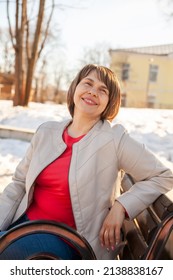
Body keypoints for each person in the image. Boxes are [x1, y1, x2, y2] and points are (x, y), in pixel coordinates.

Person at [0, 64, 173, 260]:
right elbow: (19, 184)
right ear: (75, 88)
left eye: (103, 90)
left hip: (69, 242)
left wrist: (121, 207)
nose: (93, 92)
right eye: (88, 83)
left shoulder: (114, 139)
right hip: (24, 225)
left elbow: (164, 175)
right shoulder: (46, 132)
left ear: (110, 102)